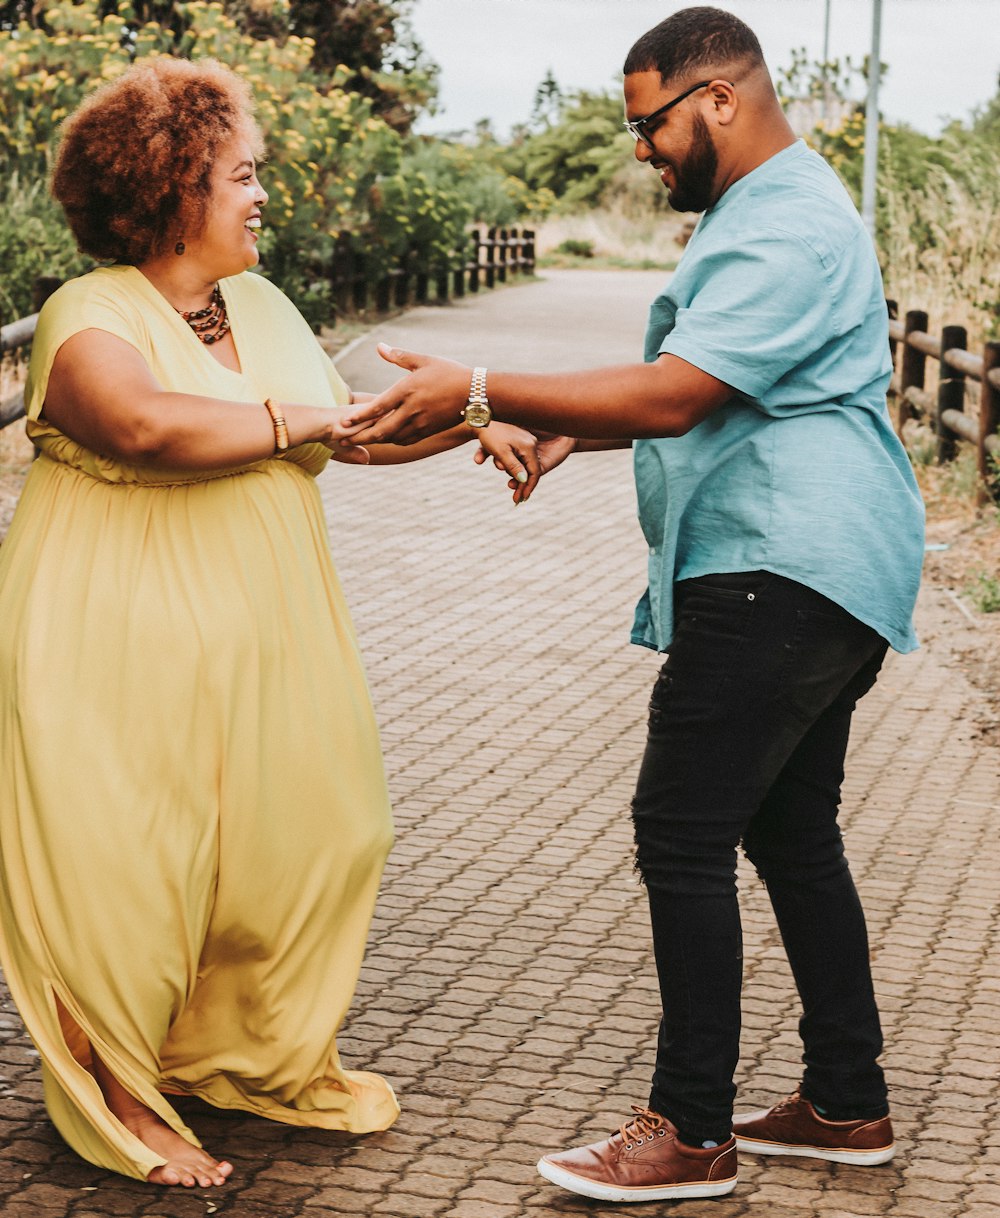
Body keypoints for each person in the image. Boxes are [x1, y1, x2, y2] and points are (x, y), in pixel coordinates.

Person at [342, 6, 925, 1204]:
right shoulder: (768, 210)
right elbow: (722, 396)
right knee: (789, 831)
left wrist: (486, 383)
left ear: (716, 98)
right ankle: (843, 1101)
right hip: (828, 567)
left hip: (781, 567)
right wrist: (564, 426)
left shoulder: (788, 220)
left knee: (681, 829)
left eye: (649, 125)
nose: (642, 151)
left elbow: (676, 393)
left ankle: (689, 1134)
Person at [0, 56, 540, 1189]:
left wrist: (480, 419)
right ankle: (114, 1100)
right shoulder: (84, 315)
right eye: (243, 175)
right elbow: (148, 427)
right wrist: (311, 413)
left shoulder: (259, 305)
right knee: (129, 873)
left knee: (317, 839)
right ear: (175, 186)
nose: (262, 196)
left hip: (267, 635)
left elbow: (354, 432)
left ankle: (218, 1055)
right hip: (108, 640)